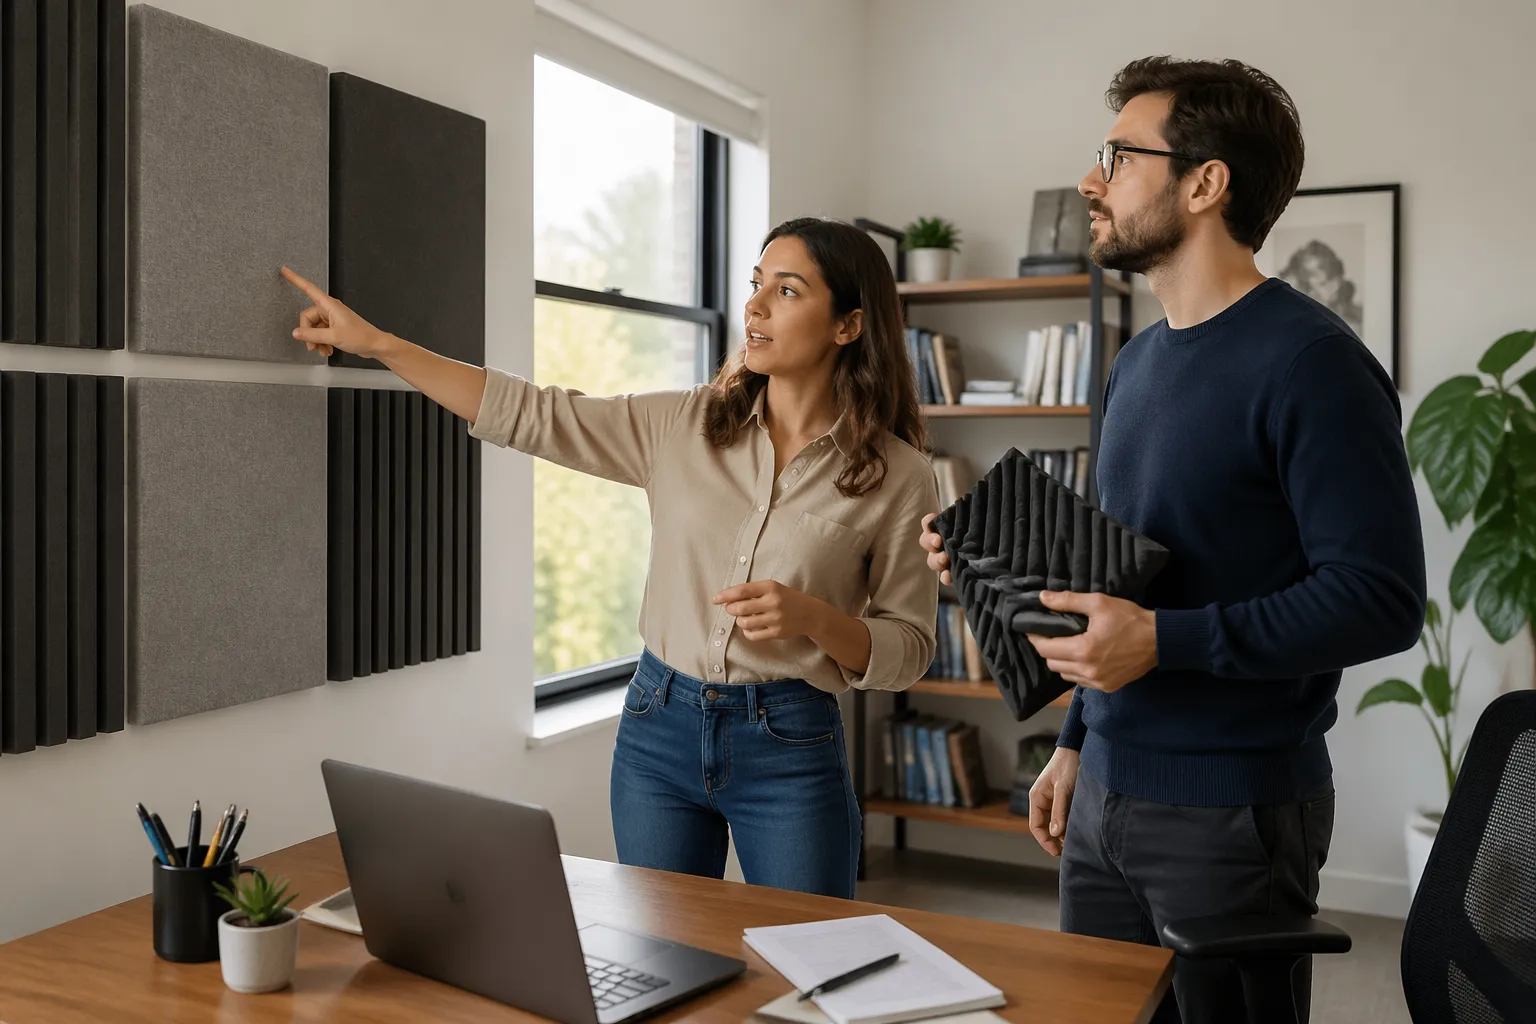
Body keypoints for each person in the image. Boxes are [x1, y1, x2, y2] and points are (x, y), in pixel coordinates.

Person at [922, 57, 1425, 1023]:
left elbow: (1381, 598)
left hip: (1232, 809)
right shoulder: (1135, 362)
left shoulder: (1316, 365)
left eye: (1118, 154)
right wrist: (1074, 736)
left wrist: (1162, 642)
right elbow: (1127, 574)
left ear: (1205, 182)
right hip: (1103, 788)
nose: (1089, 181)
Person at [282, 216, 939, 900]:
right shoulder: (684, 425)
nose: (755, 305)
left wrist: (815, 619)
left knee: (814, 962)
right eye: (755, 284)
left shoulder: (899, 475)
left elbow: (911, 646)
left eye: (788, 290)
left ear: (848, 325)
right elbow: (531, 414)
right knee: (664, 954)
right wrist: (378, 345)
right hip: (659, 731)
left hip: (792, 745)